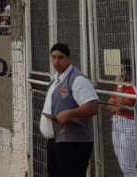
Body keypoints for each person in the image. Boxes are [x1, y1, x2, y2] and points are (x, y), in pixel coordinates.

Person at [40, 43, 98, 177]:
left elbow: (93, 106)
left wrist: (69, 113)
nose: (56, 61)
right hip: (57, 141)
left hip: (73, 143)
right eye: (53, 57)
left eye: (60, 57)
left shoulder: (77, 79)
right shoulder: (56, 79)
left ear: (68, 59)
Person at [107, 60, 137, 177]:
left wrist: (119, 87)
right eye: (119, 70)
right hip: (117, 123)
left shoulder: (135, 87)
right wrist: (117, 103)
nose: (120, 74)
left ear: (128, 72)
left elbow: (120, 105)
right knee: (122, 163)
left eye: (122, 70)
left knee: (129, 164)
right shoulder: (118, 88)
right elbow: (109, 106)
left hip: (130, 125)